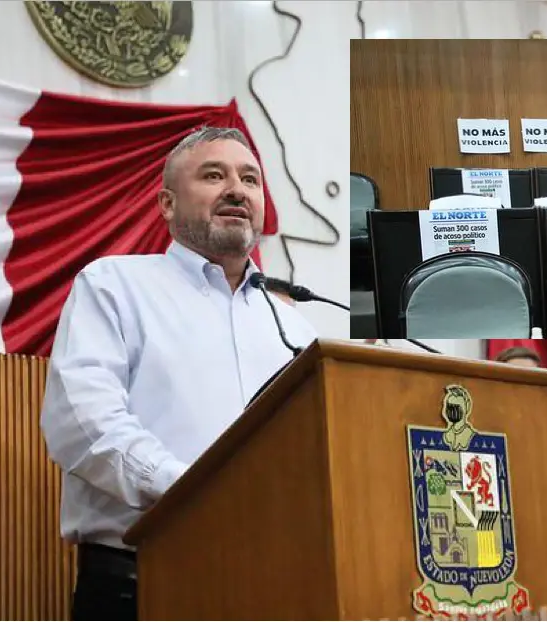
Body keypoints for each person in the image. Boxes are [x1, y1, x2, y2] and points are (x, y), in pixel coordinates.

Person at [39, 126, 317, 621]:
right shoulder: (114, 285)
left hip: (274, 583)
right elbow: (83, 423)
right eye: (214, 175)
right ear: (167, 204)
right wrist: (193, 492)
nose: (237, 189)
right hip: (141, 580)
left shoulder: (292, 327)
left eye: (250, 179)